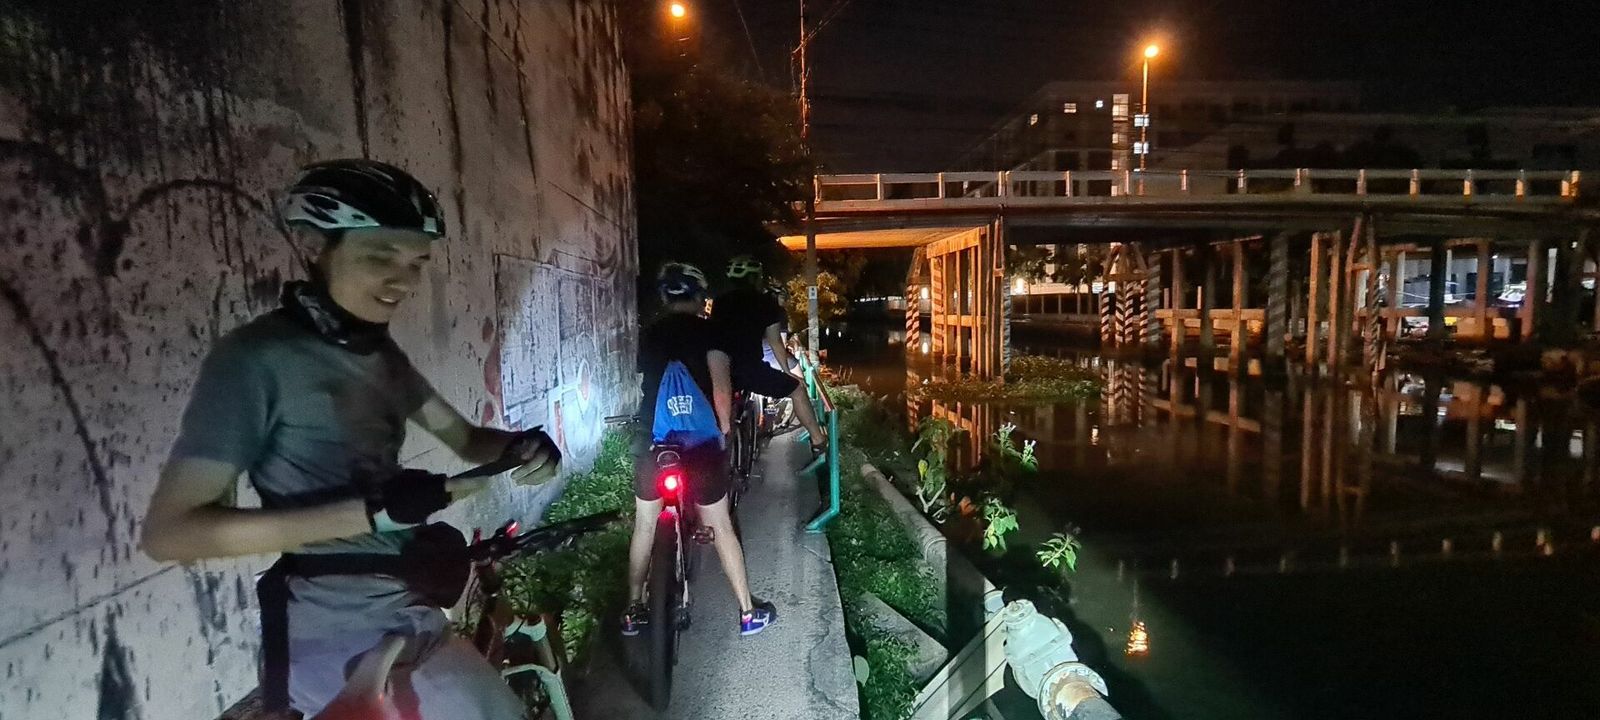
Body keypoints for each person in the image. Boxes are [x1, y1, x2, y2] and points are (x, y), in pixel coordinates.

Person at [139, 159, 560, 719]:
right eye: (381, 256)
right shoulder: (255, 360)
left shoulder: (381, 358)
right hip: (338, 635)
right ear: (314, 245)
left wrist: (524, 447)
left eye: (417, 262)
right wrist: (371, 514)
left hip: (409, 611)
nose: (405, 281)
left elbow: (465, 439)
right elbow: (171, 533)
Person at [622, 262, 776, 637]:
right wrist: (723, 430)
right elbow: (721, 389)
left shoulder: (650, 335)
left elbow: (645, 382)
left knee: (644, 525)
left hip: (653, 441)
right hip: (700, 446)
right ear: (699, 296)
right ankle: (747, 612)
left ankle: (632, 610)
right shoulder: (711, 333)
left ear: (664, 297)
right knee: (721, 524)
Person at [711, 255, 827, 454]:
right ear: (755, 278)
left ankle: (722, 446)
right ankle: (818, 441)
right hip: (751, 369)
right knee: (797, 390)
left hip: (721, 369)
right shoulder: (766, 304)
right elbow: (776, 343)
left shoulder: (720, 302)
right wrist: (787, 372)